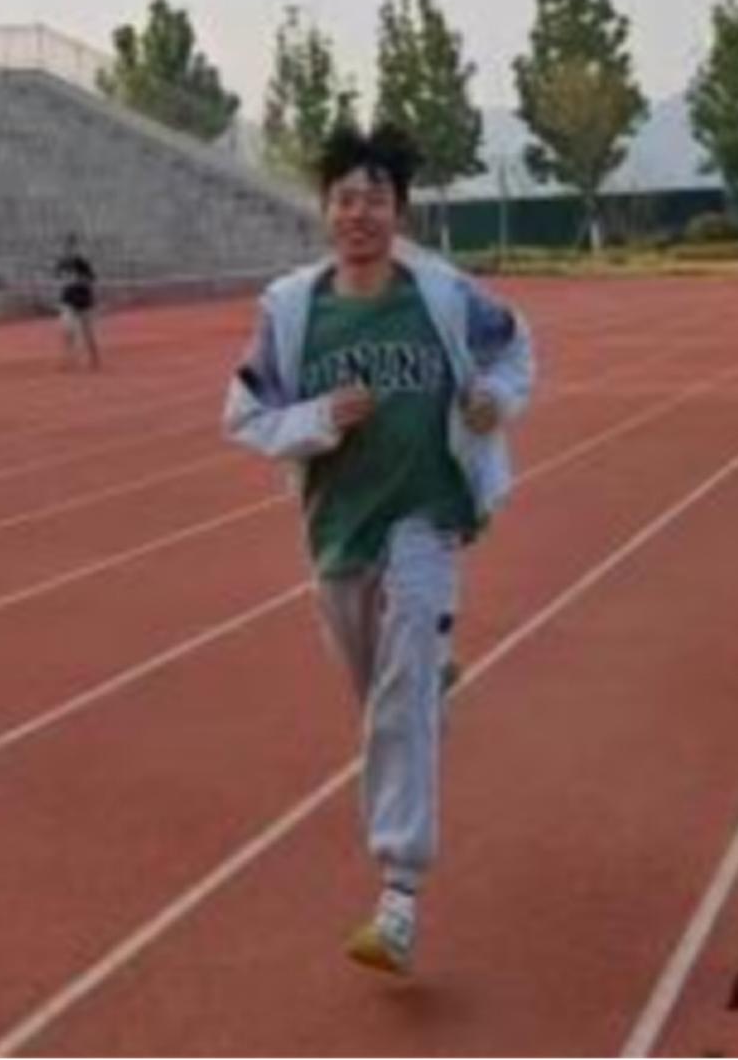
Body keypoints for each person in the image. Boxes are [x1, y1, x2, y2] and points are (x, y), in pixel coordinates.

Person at [223, 123, 534, 975]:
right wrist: (319, 418)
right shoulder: (289, 311)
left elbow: (513, 347)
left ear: (400, 210)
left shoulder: (443, 294)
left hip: (425, 519)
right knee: (382, 694)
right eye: (345, 198)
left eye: (376, 199)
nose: (360, 213)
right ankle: (429, 671)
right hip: (337, 532)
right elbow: (245, 416)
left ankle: (399, 890)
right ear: (324, 209)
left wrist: (494, 398)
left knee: (397, 708)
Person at [54, 233, 101, 370]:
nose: (70, 250)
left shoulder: (83, 263)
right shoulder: (62, 263)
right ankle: (69, 360)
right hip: (68, 301)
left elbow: (92, 279)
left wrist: (80, 280)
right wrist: (64, 279)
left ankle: (94, 358)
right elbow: (57, 277)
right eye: (68, 248)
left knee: (88, 333)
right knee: (67, 330)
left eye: (73, 248)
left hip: (84, 301)